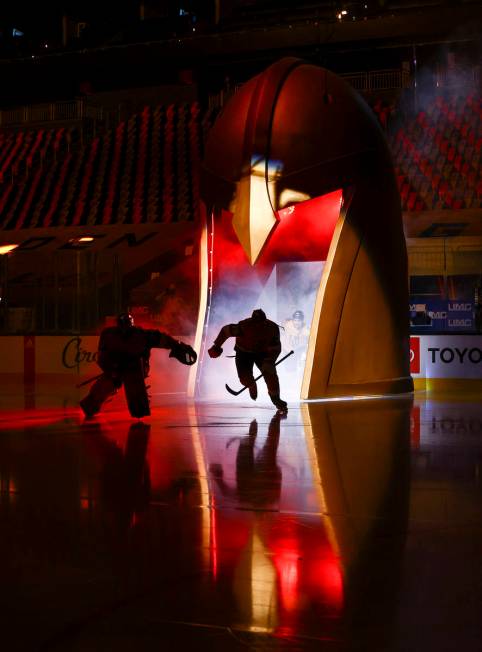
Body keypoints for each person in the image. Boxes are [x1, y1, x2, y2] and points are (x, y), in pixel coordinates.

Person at [80, 312, 197, 419]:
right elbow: (102, 357)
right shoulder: (108, 335)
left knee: (138, 406)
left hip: (136, 369)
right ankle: (92, 405)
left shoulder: (143, 335)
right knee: (101, 390)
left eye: (126, 325)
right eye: (122, 326)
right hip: (115, 369)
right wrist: (112, 370)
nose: (124, 329)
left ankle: (139, 406)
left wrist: (177, 345)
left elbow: (162, 338)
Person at [208, 308, 287, 411]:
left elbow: (276, 347)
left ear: (265, 321)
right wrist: (216, 346)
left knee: (271, 375)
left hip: (262, 354)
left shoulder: (272, 328)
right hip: (243, 353)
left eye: (260, 324)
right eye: (255, 323)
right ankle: (251, 384)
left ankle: (276, 399)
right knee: (245, 378)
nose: (258, 326)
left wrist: (269, 361)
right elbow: (226, 331)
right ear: (252, 321)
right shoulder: (243, 326)